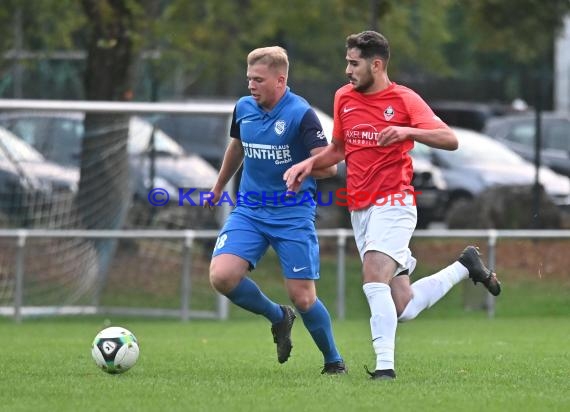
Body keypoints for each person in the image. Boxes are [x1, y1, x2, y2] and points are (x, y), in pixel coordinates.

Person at [284, 31, 501, 380]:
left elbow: (450, 139)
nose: (348, 70)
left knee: (372, 276)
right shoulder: (344, 98)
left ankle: (385, 368)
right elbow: (339, 149)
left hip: (395, 202)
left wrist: (406, 131)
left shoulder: (404, 99)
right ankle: (465, 266)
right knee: (403, 306)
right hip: (360, 208)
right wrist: (308, 164)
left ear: (376, 64)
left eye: (354, 63)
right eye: (347, 62)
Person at [206, 46, 346, 375]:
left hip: (292, 214)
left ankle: (333, 361)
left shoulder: (301, 114)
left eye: (259, 79)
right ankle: (277, 317)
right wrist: (218, 186)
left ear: (280, 80)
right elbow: (238, 146)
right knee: (222, 277)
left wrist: (304, 169)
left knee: (304, 297)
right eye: (248, 79)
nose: (251, 85)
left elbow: (330, 169)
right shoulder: (243, 108)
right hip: (250, 210)